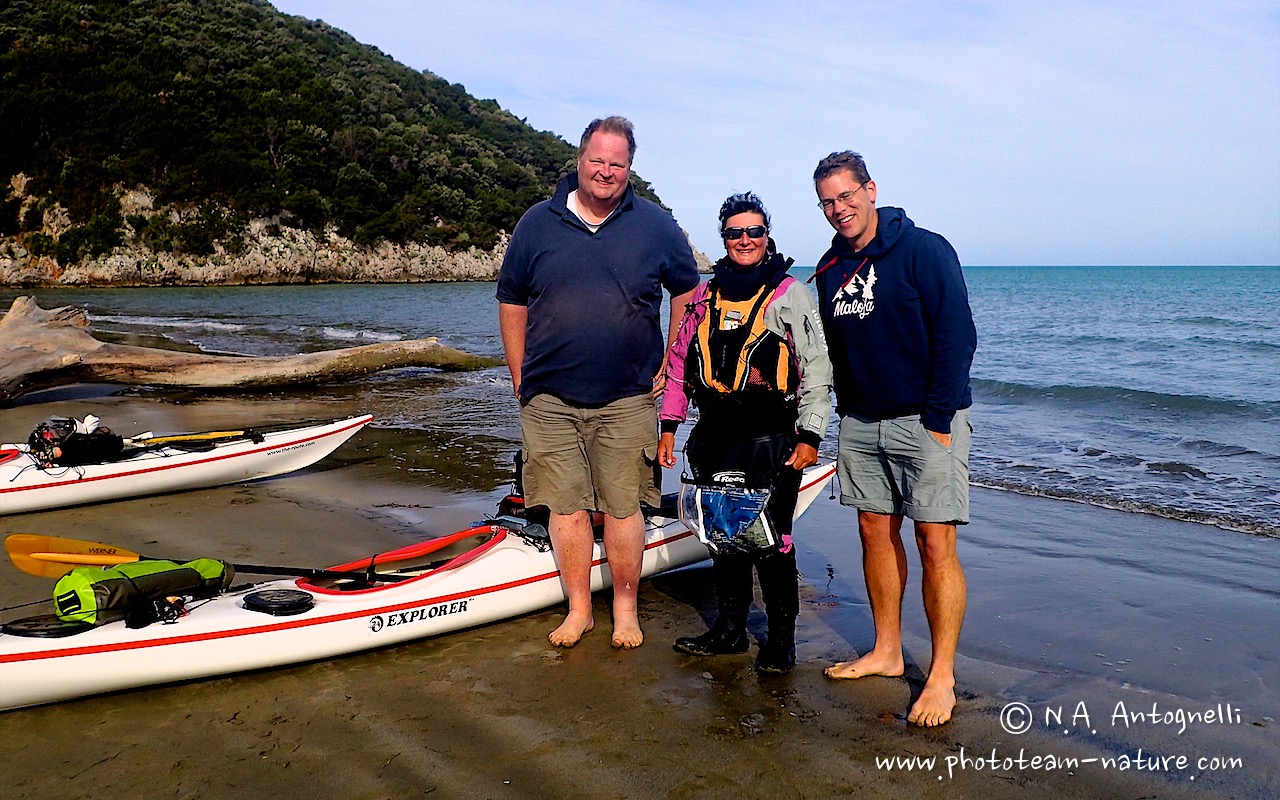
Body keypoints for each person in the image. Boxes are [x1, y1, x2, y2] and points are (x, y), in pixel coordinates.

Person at [496, 116, 700, 650]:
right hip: (548, 398)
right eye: (598, 160)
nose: (606, 171)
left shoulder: (655, 225)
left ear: (629, 168)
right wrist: (519, 373)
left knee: (624, 506)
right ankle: (580, 609)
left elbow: (687, 290)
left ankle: (626, 610)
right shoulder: (537, 223)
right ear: (579, 160)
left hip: (629, 395)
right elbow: (511, 299)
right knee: (564, 507)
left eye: (617, 163)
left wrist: (673, 357)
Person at [811, 151, 977, 726]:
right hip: (861, 424)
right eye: (828, 202)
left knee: (936, 543)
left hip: (927, 422)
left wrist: (937, 416)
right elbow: (821, 350)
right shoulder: (830, 268)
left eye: (846, 195)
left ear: (870, 189)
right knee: (873, 534)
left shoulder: (924, 249)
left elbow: (958, 334)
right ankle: (885, 651)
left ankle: (941, 675)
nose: (839, 209)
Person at [657, 192, 832, 673]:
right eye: (735, 232)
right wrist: (669, 426)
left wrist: (810, 436)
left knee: (771, 541)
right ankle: (730, 631)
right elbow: (677, 367)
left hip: (770, 439)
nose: (745, 240)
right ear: (725, 239)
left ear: (767, 236)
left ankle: (781, 641)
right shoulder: (703, 298)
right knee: (722, 536)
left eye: (754, 231)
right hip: (714, 435)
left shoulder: (789, 295)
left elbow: (817, 370)